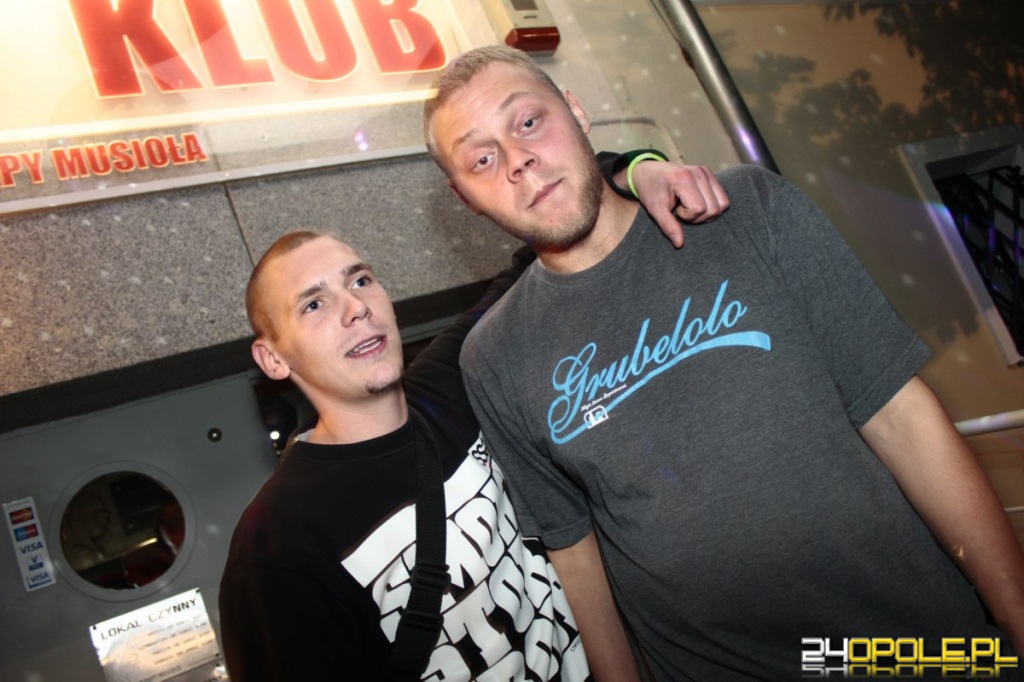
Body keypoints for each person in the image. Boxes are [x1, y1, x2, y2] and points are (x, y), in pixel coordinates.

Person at [423, 45, 1024, 680]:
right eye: (482, 159)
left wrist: (1015, 614)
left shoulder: (744, 210)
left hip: (915, 650)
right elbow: (575, 554)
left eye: (528, 122)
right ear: (466, 198)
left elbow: (900, 415)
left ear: (576, 111)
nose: (518, 160)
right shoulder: (493, 357)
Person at [218, 152, 730, 681]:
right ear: (272, 358)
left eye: (361, 280)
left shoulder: (454, 380)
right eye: (313, 305)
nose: (355, 308)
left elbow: (540, 242)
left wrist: (636, 168)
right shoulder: (276, 546)